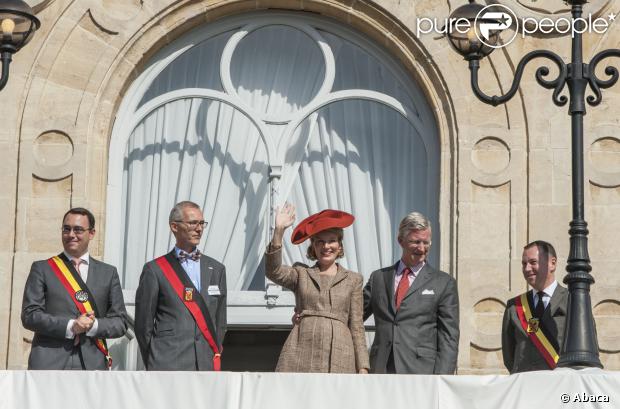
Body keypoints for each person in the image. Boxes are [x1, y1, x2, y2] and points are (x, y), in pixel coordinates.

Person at [265, 204, 369, 373]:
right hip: (301, 350)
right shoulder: (301, 273)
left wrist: (363, 367)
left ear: (340, 245)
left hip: (340, 354)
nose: (326, 246)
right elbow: (273, 271)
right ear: (312, 246)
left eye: (332, 240)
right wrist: (278, 232)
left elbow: (357, 326)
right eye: (320, 241)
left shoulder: (353, 280)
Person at [21, 207, 127, 370]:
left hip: (92, 363)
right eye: (66, 229)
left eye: (78, 229)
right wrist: (71, 326)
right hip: (49, 362)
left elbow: (120, 323)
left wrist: (93, 326)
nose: (71, 234)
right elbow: (30, 315)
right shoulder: (42, 268)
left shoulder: (108, 273)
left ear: (91, 233)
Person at [363, 211, 459, 374]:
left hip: (422, 372)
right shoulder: (378, 278)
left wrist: (441, 379)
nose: (422, 249)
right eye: (415, 242)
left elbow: (449, 337)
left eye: (426, 242)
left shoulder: (444, 282)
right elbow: (353, 316)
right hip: (381, 369)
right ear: (400, 241)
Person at [135, 201, 227, 371]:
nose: (199, 229)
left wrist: (211, 351)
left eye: (202, 223)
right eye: (193, 223)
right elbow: (143, 325)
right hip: (167, 363)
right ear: (174, 227)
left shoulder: (217, 269)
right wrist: (156, 358)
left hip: (205, 363)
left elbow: (220, 322)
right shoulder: (154, 270)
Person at [502, 240, 568, 373]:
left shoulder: (572, 300)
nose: (527, 269)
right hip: (525, 385)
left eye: (533, 262)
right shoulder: (514, 306)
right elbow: (509, 356)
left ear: (552, 264)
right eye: (524, 264)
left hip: (560, 384)